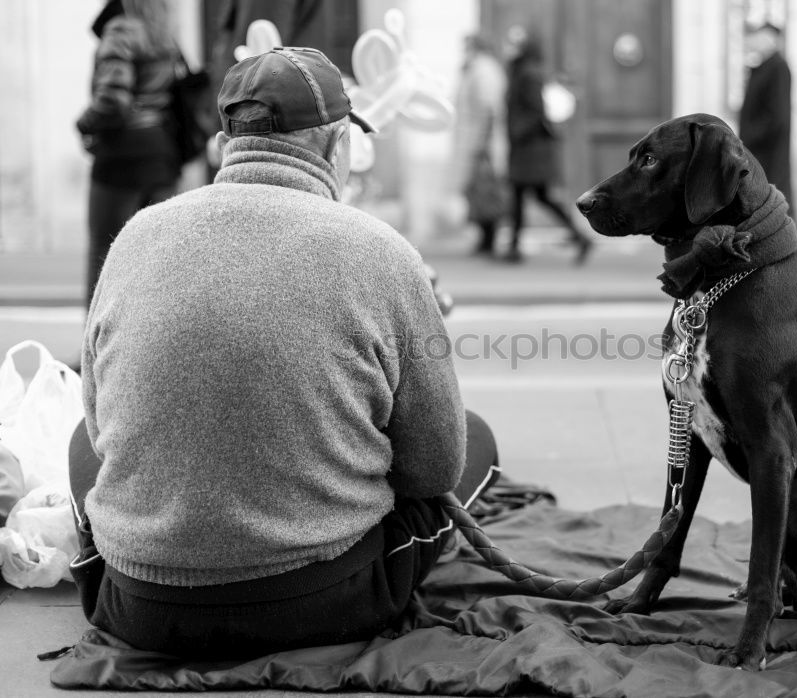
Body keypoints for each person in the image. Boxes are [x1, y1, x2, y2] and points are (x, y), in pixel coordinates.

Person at [68, 47, 499, 659]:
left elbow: (99, 420)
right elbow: (432, 470)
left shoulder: (136, 234)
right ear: (337, 146)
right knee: (474, 438)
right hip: (319, 600)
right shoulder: (382, 252)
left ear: (225, 146)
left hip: (137, 606)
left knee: (80, 441)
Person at [75, 0, 184, 309]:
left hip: (122, 153)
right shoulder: (162, 28)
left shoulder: (122, 29)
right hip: (162, 152)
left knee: (105, 255)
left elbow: (111, 99)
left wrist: (83, 124)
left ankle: (95, 355)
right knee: (157, 262)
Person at [504, 34, 592, 265]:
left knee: (528, 195)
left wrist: (517, 132)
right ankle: (577, 236)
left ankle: (578, 236)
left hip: (530, 148)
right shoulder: (520, 71)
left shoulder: (528, 74)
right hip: (526, 147)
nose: (508, 48)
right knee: (529, 196)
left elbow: (536, 111)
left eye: (514, 45)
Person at [453, 33, 508, 256]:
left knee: (485, 192)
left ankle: (490, 237)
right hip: (475, 140)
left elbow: (488, 109)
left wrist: (481, 144)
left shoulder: (483, 70)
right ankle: (485, 237)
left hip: (480, 144)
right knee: (477, 192)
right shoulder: (475, 68)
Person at [737, 22, 794, 223]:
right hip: (758, 151)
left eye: (760, 36)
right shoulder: (763, 67)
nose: (755, 41)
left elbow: (777, 116)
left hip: (767, 152)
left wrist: (752, 136)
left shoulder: (777, 67)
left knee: (772, 202)